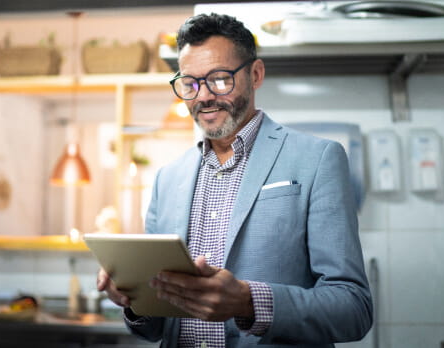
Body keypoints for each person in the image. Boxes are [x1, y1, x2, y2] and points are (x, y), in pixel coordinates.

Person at [97, 13, 373, 347]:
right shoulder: (166, 179)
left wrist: (247, 302)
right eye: (190, 83)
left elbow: (353, 308)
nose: (203, 97)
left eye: (220, 79)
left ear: (255, 74)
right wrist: (133, 298)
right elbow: (155, 328)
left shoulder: (318, 159)